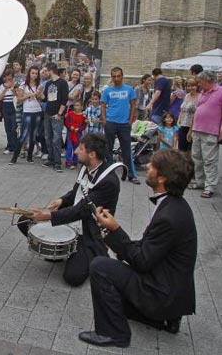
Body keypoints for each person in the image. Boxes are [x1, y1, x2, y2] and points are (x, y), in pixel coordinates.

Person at [79, 149, 196, 349]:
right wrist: (116, 235)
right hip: (168, 288)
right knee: (116, 299)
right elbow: (149, 251)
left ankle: (114, 334)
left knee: (100, 266)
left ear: (162, 177)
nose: (147, 167)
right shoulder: (175, 204)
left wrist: (114, 230)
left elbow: (141, 261)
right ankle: (166, 319)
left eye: (152, 166)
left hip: (162, 293)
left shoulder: (170, 216)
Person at [21, 133, 121, 286]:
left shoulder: (109, 182)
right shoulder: (86, 166)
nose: (75, 151)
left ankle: (98, 252)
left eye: (80, 149)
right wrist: (62, 199)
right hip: (73, 220)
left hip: (89, 231)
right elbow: (77, 192)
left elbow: (82, 210)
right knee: (24, 221)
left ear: (92, 154)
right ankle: (61, 250)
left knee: (73, 278)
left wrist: (48, 216)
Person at [187, 71, 222, 198]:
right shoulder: (202, 92)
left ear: (207, 80)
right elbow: (197, 112)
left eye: (199, 81)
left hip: (211, 131)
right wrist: (191, 129)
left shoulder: (221, 91)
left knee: (209, 160)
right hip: (197, 129)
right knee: (197, 158)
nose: (198, 84)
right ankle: (199, 181)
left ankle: (210, 186)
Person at [101, 67, 140, 184]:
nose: (116, 78)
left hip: (124, 124)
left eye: (118, 76)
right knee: (108, 148)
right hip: (110, 122)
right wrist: (104, 120)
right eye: (114, 76)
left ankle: (131, 175)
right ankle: (108, 172)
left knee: (126, 149)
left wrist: (130, 121)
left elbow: (133, 105)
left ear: (122, 76)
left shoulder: (129, 89)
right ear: (111, 77)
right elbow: (102, 105)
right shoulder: (108, 90)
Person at [9, 66, 43, 165]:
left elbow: (42, 98)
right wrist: (30, 95)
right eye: (33, 73)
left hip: (37, 111)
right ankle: (14, 158)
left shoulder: (39, 85)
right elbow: (19, 99)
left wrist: (40, 93)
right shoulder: (23, 85)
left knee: (33, 135)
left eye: (36, 73)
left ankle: (29, 157)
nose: (34, 75)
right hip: (27, 111)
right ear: (29, 73)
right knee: (23, 135)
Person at [42, 62, 69, 172]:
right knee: (48, 138)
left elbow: (64, 99)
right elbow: (45, 99)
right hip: (48, 113)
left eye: (46, 71)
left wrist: (59, 113)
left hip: (57, 115)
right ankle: (51, 159)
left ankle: (57, 162)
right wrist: (39, 93)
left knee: (56, 139)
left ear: (50, 70)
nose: (45, 73)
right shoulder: (48, 84)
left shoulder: (63, 83)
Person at [0, 69, 18, 155]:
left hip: (13, 107)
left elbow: (18, 96)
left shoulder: (15, 84)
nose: (9, 78)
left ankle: (15, 146)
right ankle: (10, 146)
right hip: (5, 107)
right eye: (7, 76)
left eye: (10, 76)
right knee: (8, 128)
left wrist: (12, 88)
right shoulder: (2, 86)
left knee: (14, 128)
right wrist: (6, 89)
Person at [177, 77, 199, 152]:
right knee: (181, 150)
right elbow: (182, 110)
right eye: (188, 86)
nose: (190, 88)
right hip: (182, 125)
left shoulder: (200, 97)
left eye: (193, 85)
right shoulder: (186, 96)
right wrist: (178, 122)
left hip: (193, 127)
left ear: (197, 86)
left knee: (190, 151)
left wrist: (191, 130)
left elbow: (197, 114)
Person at [64, 100, 86, 169]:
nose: (76, 107)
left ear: (81, 106)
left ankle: (75, 161)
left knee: (76, 147)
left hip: (78, 134)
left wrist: (79, 129)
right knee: (69, 147)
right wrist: (70, 126)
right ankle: (68, 161)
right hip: (70, 132)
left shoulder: (83, 115)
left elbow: (84, 125)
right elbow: (67, 121)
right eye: (75, 105)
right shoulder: (70, 113)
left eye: (78, 105)